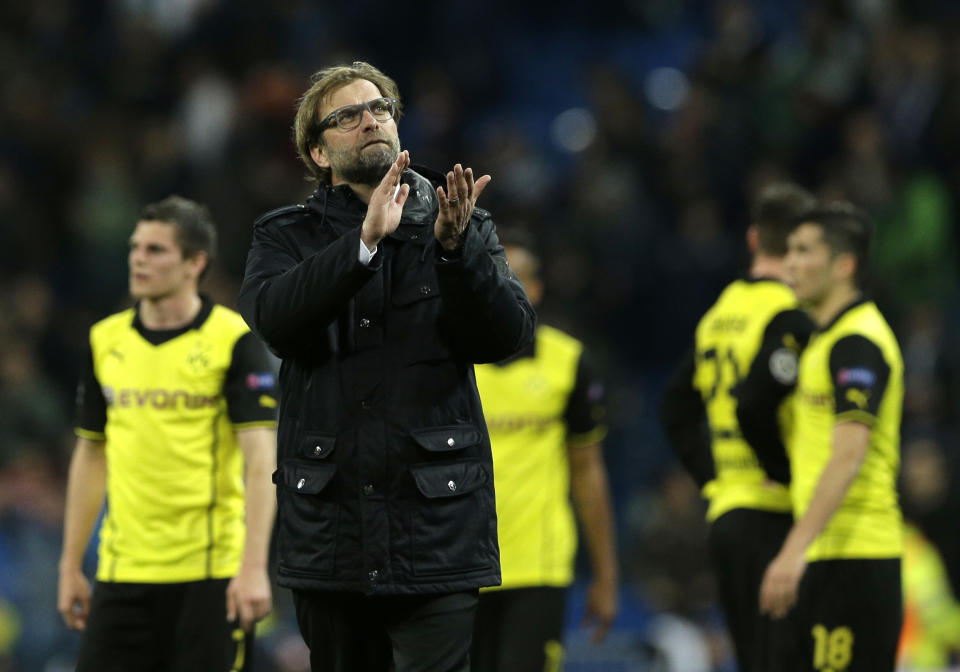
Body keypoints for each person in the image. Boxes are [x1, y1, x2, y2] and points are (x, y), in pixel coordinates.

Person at [237, 61, 536, 672]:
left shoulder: (460, 222)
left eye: (379, 108)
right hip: (332, 535)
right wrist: (362, 245)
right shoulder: (284, 237)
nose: (369, 120)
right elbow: (276, 320)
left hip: (437, 526)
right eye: (347, 116)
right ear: (319, 152)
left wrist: (456, 257)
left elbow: (507, 338)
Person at [57, 196, 278, 672]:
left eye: (156, 250)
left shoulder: (233, 342)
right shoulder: (105, 341)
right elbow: (91, 455)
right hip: (122, 571)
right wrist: (70, 564)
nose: (138, 258)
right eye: (136, 247)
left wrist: (253, 567)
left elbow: (262, 462)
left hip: (210, 572)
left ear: (194, 263)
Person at [660, 182, 817, 672]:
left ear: (752, 240)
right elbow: (755, 405)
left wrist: (713, 478)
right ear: (801, 248)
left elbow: (674, 408)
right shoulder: (792, 316)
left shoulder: (719, 314)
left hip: (728, 511)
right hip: (775, 511)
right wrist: (784, 470)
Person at [759, 202, 904, 672]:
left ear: (844, 265)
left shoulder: (857, 342)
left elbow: (848, 455)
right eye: (788, 251)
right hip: (829, 553)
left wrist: (792, 551)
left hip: (855, 556)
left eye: (803, 251)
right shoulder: (826, 340)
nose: (790, 263)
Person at [470, 234, 618, 672]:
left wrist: (606, 575)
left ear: (535, 288)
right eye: (492, 276)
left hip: (539, 564)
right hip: (461, 564)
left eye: (516, 277)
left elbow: (587, 472)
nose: (503, 285)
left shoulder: (568, 362)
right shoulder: (451, 359)